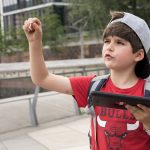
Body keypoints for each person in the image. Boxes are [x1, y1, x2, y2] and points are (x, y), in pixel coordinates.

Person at [23, 11, 150, 150]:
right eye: (107, 41)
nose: (110, 47)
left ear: (138, 55)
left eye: (120, 42)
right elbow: (42, 78)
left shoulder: (147, 93)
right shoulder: (93, 86)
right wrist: (34, 42)